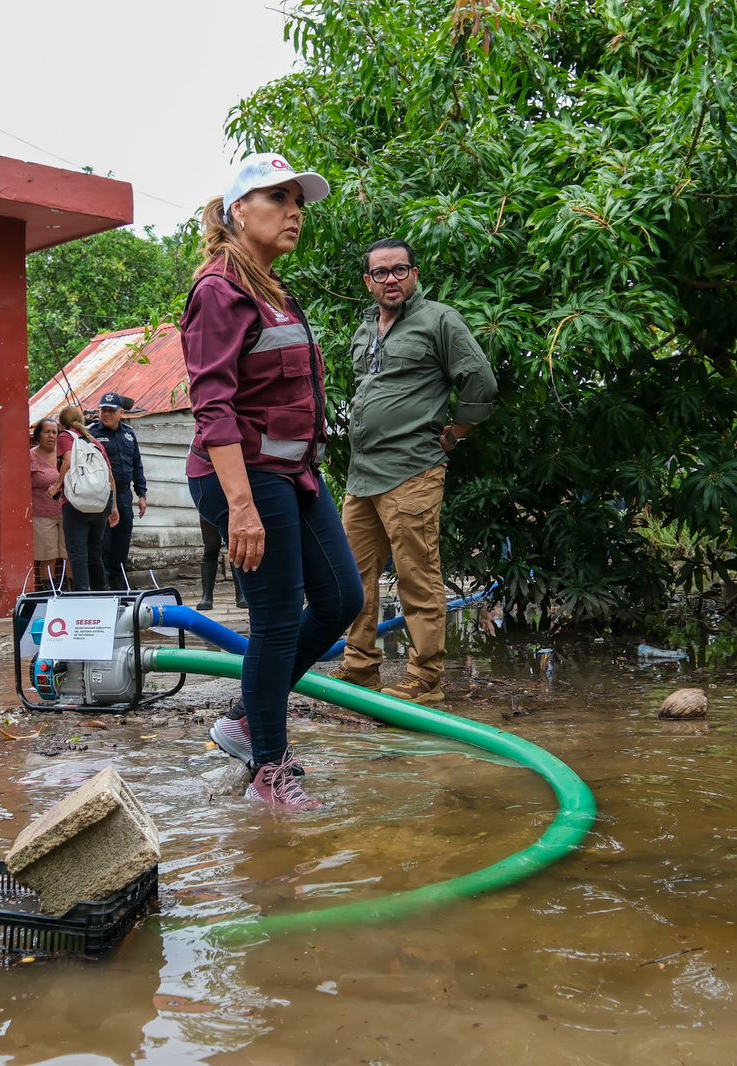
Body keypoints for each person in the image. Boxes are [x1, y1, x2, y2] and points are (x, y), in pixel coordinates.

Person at [181, 152, 364, 811]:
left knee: (343, 599)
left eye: (298, 202)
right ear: (238, 212)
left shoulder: (275, 290)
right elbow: (213, 404)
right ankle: (268, 768)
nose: (294, 212)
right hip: (244, 476)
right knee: (279, 618)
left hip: (293, 474)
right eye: (278, 198)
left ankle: (247, 719)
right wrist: (241, 509)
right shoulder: (219, 289)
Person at [335, 238, 497, 705]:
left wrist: (456, 431)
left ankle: (425, 679)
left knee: (416, 575)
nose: (391, 279)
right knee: (352, 578)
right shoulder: (366, 328)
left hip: (412, 470)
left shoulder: (439, 320)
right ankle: (359, 668)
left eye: (399, 270)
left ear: (415, 274)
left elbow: (480, 380)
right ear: (369, 282)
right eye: (381, 273)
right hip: (362, 475)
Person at [53, 404, 118, 592]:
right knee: (95, 551)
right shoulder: (94, 441)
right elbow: (110, 476)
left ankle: (82, 592)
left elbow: (67, 459)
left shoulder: (65, 436)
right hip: (100, 504)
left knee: (77, 551)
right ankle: (101, 590)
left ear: (61, 423)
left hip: (76, 503)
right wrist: (113, 507)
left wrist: (57, 485)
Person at [88, 392, 146, 588]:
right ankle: (101, 584)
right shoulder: (92, 434)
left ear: (121, 413)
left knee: (122, 539)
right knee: (103, 541)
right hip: (101, 496)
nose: (106, 414)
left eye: (111, 411)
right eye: (103, 409)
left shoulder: (129, 433)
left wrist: (142, 494)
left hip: (124, 494)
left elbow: (137, 465)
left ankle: (118, 582)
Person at [28, 416, 67, 590]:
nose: (51, 436)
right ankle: (49, 592)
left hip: (68, 513)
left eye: (54, 432)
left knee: (69, 555)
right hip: (42, 515)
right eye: (47, 432)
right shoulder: (30, 457)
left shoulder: (65, 454)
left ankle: (70, 591)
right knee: (48, 556)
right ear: (38, 435)